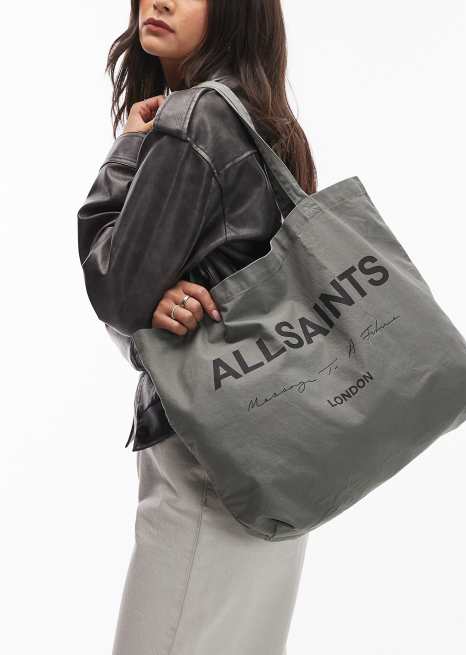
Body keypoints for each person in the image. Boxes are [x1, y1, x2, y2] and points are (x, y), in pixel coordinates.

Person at [77, 1, 317, 653]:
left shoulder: (197, 117)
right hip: (281, 453)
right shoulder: (267, 122)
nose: (160, 0)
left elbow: (119, 287)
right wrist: (153, 300)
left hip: (206, 454)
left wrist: (127, 151)